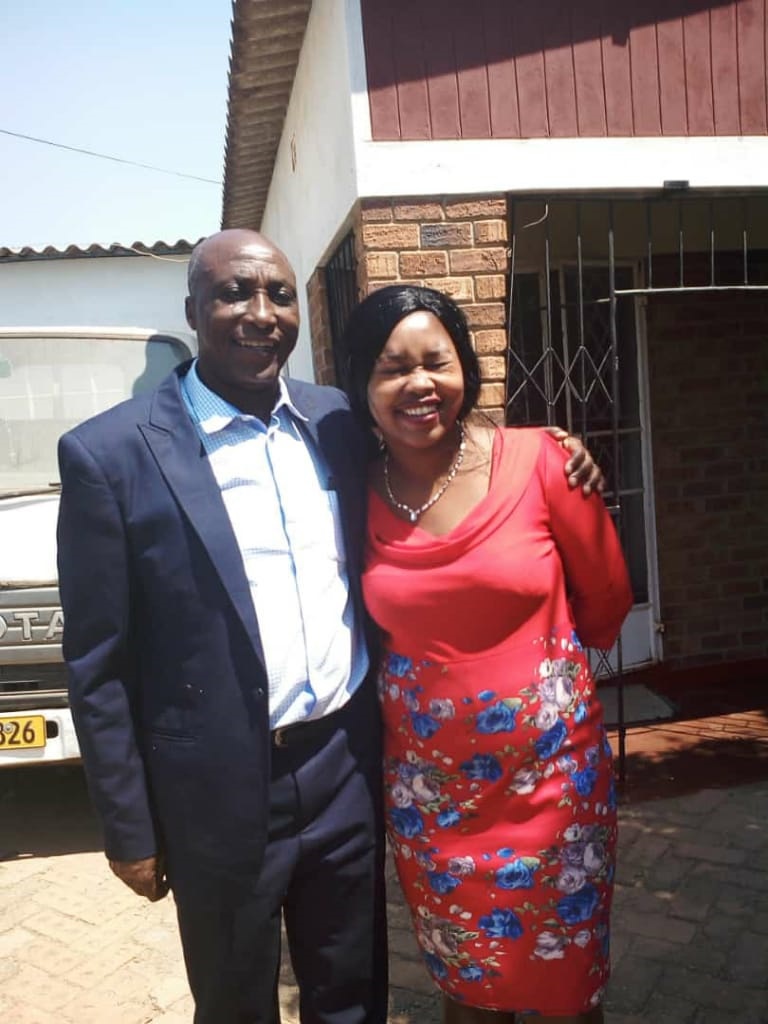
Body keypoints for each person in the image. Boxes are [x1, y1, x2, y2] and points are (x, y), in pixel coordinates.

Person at [56, 229, 602, 1024]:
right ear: (192, 310)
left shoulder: (340, 422)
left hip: (345, 769)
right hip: (217, 791)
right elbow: (97, 662)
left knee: (352, 997)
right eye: (234, 292)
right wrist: (128, 826)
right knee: (236, 1003)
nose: (261, 312)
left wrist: (557, 446)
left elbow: (449, 453)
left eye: (279, 294)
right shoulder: (110, 455)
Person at [342, 284, 633, 1024]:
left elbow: (607, 604)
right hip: (431, 802)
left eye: (435, 362)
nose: (418, 383)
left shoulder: (545, 462)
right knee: (467, 992)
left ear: (466, 368)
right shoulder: (347, 491)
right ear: (362, 386)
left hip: (554, 790)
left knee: (567, 991)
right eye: (391, 368)